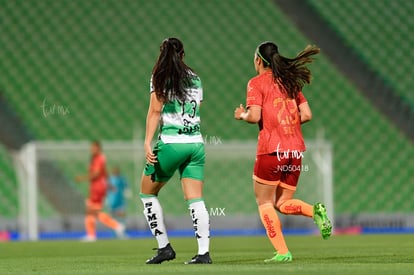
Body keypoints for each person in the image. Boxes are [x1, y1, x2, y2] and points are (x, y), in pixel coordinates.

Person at [234, 42, 332, 262]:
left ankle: (282, 252)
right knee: (282, 204)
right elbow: (306, 114)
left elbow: (254, 116)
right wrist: (287, 124)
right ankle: (315, 211)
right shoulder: (289, 82)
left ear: (259, 60)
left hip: (271, 151)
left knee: (264, 203)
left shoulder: (256, 83)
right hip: (295, 150)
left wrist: (241, 114)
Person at [139, 37, 211, 264]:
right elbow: (196, 108)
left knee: (147, 193)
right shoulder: (196, 79)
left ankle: (164, 248)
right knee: (196, 199)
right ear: (183, 54)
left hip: (171, 143)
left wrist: (147, 142)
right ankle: (203, 253)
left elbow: (154, 112)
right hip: (196, 144)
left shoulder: (160, 78)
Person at [76, 140, 126, 242]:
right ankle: (92, 234)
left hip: (98, 188)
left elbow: (97, 173)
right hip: (97, 187)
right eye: (91, 148)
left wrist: (82, 178)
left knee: (92, 211)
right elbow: (104, 172)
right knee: (91, 211)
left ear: (98, 148)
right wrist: (109, 184)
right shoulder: (97, 159)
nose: (92, 150)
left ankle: (115, 226)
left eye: (94, 148)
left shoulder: (99, 158)